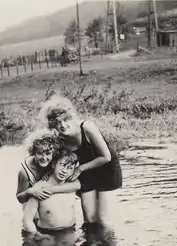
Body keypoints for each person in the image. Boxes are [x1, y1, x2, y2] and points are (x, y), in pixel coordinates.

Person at [38, 95, 123, 232]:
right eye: (57, 123)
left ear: (72, 116)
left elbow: (106, 157)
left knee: (103, 218)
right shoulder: (59, 139)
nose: (62, 125)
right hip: (85, 172)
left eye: (65, 120)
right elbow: (51, 160)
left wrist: (80, 169)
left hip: (106, 169)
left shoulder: (87, 127)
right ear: (52, 125)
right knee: (90, 219)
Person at [22, 148, 81, 246]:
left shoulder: (72, 185)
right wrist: (38, 235)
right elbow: (27, 219)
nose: (64, 171)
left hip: (69, 231)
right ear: (53, 164)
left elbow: (79, 185)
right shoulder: (39, 189)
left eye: (69, 168)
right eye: (62, 165)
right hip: (48, 234)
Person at [16, 128, 81, 205]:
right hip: (32, 204)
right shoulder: (25, 171)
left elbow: (76, 185)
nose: (44, 158)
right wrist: (30, 191)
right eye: (40, 153)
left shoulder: (56, 162)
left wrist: (48, 189)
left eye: (48, 153)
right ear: (33, 152)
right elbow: (20, 199)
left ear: (53, 153)